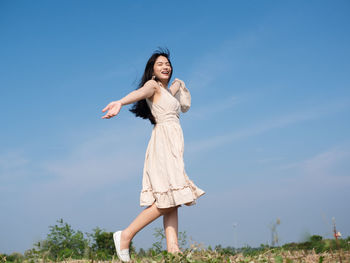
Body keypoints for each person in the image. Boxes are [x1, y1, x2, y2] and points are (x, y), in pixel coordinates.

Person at [101, 48, 205, 262]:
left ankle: (173, 250)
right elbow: (139, 93)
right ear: (153, 71)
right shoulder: (153, 85)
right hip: (163, 143)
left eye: (167, 63)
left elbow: (176, 92)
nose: (165, 66)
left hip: (173, 143)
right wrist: (120, 102)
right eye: (160, 64)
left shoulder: (167, 90)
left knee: (173, 195)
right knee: (168, 198)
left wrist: (178, 84)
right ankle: (126, 235)